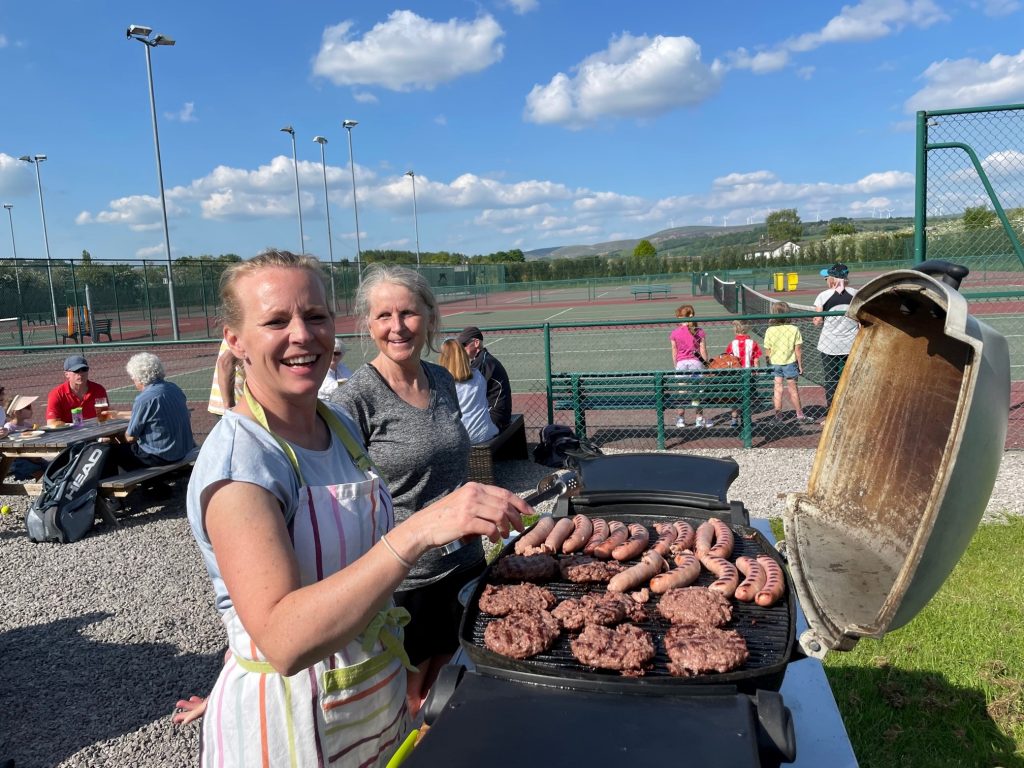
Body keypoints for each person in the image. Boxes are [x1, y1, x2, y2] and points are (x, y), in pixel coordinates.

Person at [184, 251, 527, 765]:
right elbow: (284, 641)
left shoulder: (333, 426)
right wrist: (420, 531)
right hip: (295, 724)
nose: (302, 334)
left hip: (368, 702)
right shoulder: (242, 461)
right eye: (276, 320)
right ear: (235, 340)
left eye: (315, 316)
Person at [333, 266, 488, 717]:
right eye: (383, 315)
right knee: (408, 701)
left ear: (429, 316)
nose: (396, 327)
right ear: (368, 323)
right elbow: (339, 503)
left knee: (453, 681)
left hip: (465, 563)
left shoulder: (441, 380)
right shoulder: (355, 400)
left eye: (408, 313)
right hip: (406, 581)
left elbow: (453, 463)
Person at [106, 353, 195, 471]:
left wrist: (114, 437)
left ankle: (109, 487)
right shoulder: (174, 388)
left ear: (139, 378)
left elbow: (131, 437)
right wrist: (118, 414)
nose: (133, 381)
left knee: (109, 450)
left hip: (160, 456)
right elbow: (154, 415)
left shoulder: (144, 398)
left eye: (133, 378)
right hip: (182, 451)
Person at [813, 262, 859, 411]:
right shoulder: (856, 294)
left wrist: (816, 318)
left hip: (829, 345)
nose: (826, 280)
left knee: (831, 379)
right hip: (851, 344)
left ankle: (831, 411)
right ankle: (850, 408)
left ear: (833, 279)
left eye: (827, 277)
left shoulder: (823, 296)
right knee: (851, 377)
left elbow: (817, 321)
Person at [438, 338, 499, 444]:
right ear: (463, 355)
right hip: (485, 431)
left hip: (463, 436)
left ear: (444, 358)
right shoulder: (478, 375)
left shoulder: (442, 382)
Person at [763, 302, 812, 423]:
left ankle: (778, 416)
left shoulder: (770, 330)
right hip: (790, 363)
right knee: (793, 389)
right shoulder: (794, 329)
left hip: (775, 364)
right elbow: (798, 350)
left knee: (777, 389)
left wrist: (769, 364)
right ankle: (799, 415)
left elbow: (767, 351)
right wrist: (800, 365)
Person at [457, 326, 512, 431]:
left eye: (464, 345)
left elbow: (468, 394)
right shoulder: (483, 359)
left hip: (495, 417)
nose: (461, 349)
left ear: (476, 343)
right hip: (497, 414)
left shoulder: (483, 363)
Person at [669, 304, 709, 427]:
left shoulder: (675, 332)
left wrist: (676, 365)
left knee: (682, 392)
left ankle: (681, 419)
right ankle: (699, 418)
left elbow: (674, 351)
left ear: (681, 317)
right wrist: (705, 364)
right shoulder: (699, 331)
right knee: (696, 392)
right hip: (696, 363)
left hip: (681, 364)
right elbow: (703, 350)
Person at [46, 355, 109, 426]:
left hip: (98, 431)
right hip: (70, 435)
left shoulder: (99, 389)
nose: (81, 374)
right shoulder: (56, 394)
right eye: (76, 371)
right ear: (66, 374)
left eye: (84, 369)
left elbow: (107, 415)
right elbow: (52, 424)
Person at [723, 320, 762, 428]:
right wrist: (757, 371)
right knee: (747, 398)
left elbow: (728, 360)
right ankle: (746, 420)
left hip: (736, 376)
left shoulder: (732, 344)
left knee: (735, 397)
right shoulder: (752, 343)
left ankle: (734, 420)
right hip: (749, 375)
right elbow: (756, 360)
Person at [3, 394, 46, 480]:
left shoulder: (27, 426)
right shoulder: (9, 427)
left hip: (32, 457)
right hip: (17, 460)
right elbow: (10, 449)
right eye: (28, 407)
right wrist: (30, 456)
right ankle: (40, 490)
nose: (31, 410)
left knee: (50, 466)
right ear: (17, 412)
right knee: (37, 470)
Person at [207, 339, 244, 416]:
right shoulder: (245, 332)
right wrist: (230, 410)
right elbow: (225, 362)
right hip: (237, 408)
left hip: (237, 407)